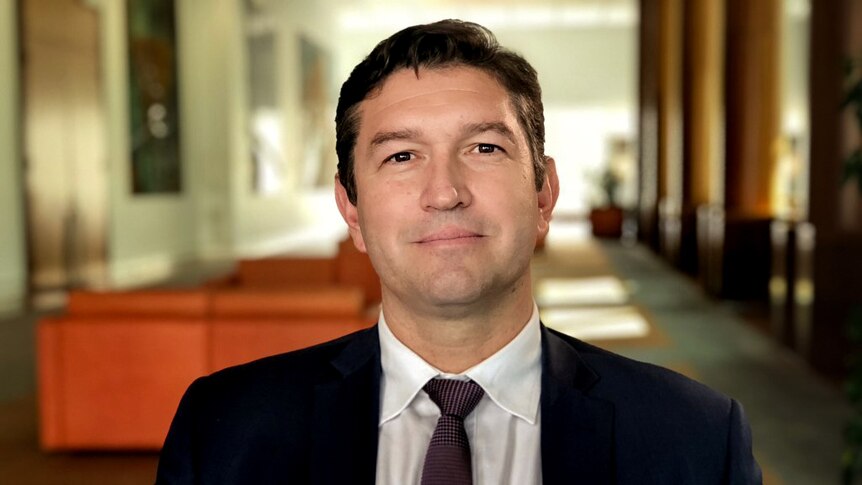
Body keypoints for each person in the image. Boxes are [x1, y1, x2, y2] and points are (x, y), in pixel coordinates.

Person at [156, 19, 762, 484]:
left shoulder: (697, 437)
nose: (444, 192)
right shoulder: (225, 430)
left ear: (544, 193)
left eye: (484, 149)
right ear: (353, 211)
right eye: (401, 156)